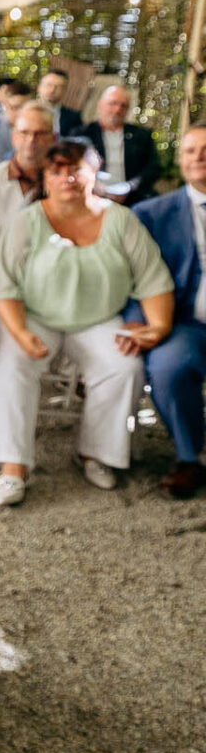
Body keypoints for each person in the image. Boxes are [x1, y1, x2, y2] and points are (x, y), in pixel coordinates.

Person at [0, 140, 173, 504]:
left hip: (98, 318)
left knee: (125, 367)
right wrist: (21, 333)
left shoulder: (121, 220)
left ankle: (94, 454)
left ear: (94, 174)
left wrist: (158, 326)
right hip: (34, 316)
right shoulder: (28, 220)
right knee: (12, 364)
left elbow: (153, 278)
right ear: (46, 177)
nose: (66, 178)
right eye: (56, 171)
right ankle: (13, 467)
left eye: (75, 169)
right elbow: (0, 283)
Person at [131, 123, 206, 498]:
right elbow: (131, 278)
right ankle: (189, 457)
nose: (199, 158)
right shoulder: (151, 214)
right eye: (191, 150)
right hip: (182, 323)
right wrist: (135, 325)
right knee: (168, 366)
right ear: (180, 160)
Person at [0, 101, 53, 239]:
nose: (31, 139)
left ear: (53, 138)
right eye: (24, 132)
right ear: (13, 137)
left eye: (39, 133)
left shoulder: (64, 179)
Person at [82, 85, 161, 205]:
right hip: (93, 194)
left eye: (123, 106)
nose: (117, 109)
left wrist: (130, 187)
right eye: (113, 103)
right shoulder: (84, 133)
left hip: (133, 196)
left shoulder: (141, 135)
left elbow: (153, 167)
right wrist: (97, 187)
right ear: (100, 105)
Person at [37, 67, 83, 137]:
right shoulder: (24, 112)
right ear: (39, 88)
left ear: (65, 91)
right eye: (49, 85)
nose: (52, 90)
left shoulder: (73, 118)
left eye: (58, 87)